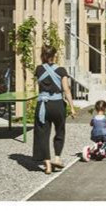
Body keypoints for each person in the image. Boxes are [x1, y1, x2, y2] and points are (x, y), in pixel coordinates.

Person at [33, 44, 74, 174]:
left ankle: (47, 164)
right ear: (55, 55)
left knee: (43, 134)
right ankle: (57, 158)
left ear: (43, 55)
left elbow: (40, 86)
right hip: (57, 104)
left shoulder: (39, 69)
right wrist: (72, 107)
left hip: (43, 105)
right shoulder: (61, 70)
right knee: (60, 131)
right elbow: (66, 90)